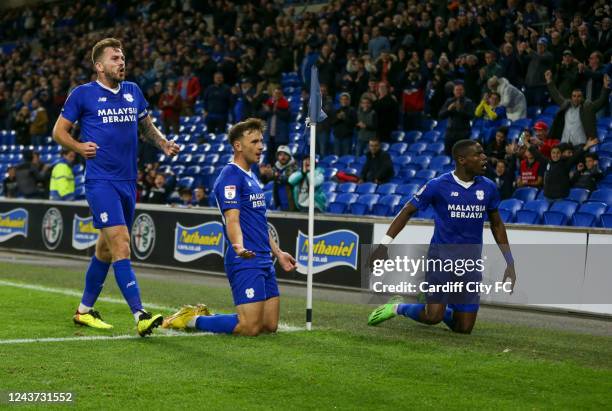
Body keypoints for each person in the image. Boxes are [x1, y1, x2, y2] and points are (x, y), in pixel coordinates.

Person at [52, 38, 180, 336]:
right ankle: (140, 314)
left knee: (105, 251)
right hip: (101, 182)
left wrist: (163, 143)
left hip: (127, 182)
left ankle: (83, 311)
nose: (121, 62)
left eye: (122, 57)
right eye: (114, 58)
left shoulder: (133, 91)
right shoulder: (83, 94)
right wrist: (79, 146)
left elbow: (146, 126)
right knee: (122, 243)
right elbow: (59, 131)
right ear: (99, 66)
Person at [163, 118, 297, 336]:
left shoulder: (252, 176)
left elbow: (259, 223)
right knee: (250, 327)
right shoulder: (230, 176)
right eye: (254, 142)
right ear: (238, 146)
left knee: (269, 325)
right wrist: (238, 246)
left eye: (261, 141)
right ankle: (191, 320)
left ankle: (205, 317)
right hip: (244, 259)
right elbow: (232, 219)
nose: (261, 146)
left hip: (264, 258)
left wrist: (278, 253)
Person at [368, 140, 516, 334]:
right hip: (441, 260)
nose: (484, 158)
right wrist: (382, 247)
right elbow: (406, 211)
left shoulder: (488, 187)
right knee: (433, 317)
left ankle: (434, 305)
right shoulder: (438, 185)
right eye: (478, 154)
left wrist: (510, 262)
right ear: (462, 160)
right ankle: (397, 307)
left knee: (464, 328)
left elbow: (497, 224)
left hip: (470, 264)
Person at [545, 70, 610, 147]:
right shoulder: (566, 104)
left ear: (582, 98)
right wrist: (549, 81)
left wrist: (605, 87)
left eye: (579, 96)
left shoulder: (588, 108)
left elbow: (601, 100)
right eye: (574, 96)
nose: (576, 98)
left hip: (580, 145)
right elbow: (556, 95)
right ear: (571, 97)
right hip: (564, 143)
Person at [439, 82, 475, 156]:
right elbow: (441, 115)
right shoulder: (449, 101)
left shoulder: (468, 102)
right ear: (453, 91)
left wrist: (459, 110)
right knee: (448, 154)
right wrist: (449, 110)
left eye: (460, 90)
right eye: (457, 90)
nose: (458, 91)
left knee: (462, 155)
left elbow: (471, 116)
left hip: (463, 132)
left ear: (464, 91)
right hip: (450, 132)